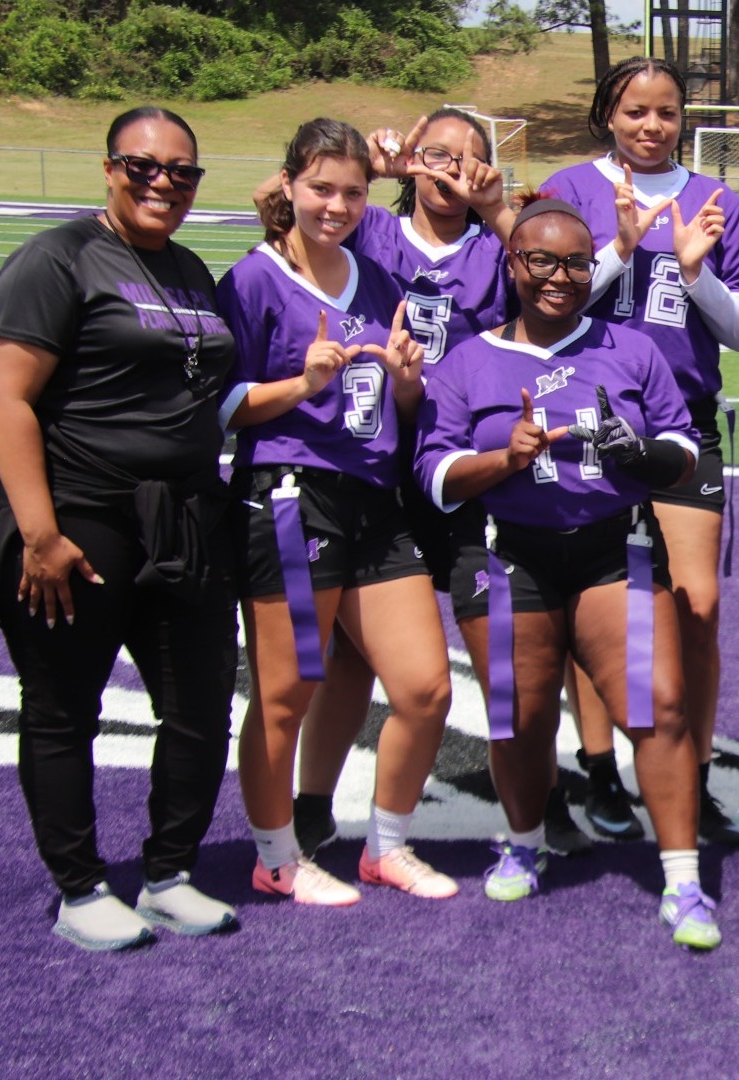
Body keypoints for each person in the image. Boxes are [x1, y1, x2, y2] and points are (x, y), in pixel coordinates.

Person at [0, 106, 241, 949]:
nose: (163, 183)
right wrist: (40, 534)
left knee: (198, 703)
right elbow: (5, 397)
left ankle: (168, 874)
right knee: (64, 708)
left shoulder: (189, 266)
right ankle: (80, 888)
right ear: (109, 168)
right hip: (78, 512)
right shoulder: (56, 259)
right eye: (143, 166)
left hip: (181, 515)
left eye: (182, 171)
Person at [413, 196, 722, 949]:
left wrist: (635, 452)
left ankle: (681, 878)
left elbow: (684, 453)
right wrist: (503, 459)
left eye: (576, 262)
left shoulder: (629, 349)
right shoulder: (468, 359)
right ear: (512, 263)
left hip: (609, 548)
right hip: (505, 549)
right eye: (540, 260)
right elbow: (432, 472)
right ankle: (524, 838)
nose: (559, 276)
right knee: (516, 716)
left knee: (658, 707)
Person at [280, 107, 538, 859]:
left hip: (462, 472)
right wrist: (376, 168)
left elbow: (550, 265)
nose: (452, 169)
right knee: (347, 661)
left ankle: (527, 806)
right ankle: (312, 804)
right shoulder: (369, 225)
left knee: (500, 645)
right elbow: (280, 198)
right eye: (437, 153)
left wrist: (497, 209)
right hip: (370, 469)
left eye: (470, 159)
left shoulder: (495, 243)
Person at [220, 118, 456, 906]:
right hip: (291, 497)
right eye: (321, 187)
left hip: (373, 500)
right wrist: (300, 386)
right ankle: (276, 855)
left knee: (425, 688)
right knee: (288, 693)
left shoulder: (379, 280)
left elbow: (402, 404)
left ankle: (384, 846)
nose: (338, 204)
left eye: (353, 191)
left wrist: (409, 381)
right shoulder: (253, 280)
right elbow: (221, 408)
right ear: (287, 185)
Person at [539, 56, 739, 848]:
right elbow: (541, 299)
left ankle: (691, 779)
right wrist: (620, 249)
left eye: (666, 112)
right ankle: (600, 771)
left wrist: (693, 272)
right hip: (585, 417)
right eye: (635, 110)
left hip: (683, 420)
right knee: (597, 604)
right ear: (608, 113)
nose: (651, 126)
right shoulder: (569, 187)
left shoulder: (715, 198)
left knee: (695, 608)